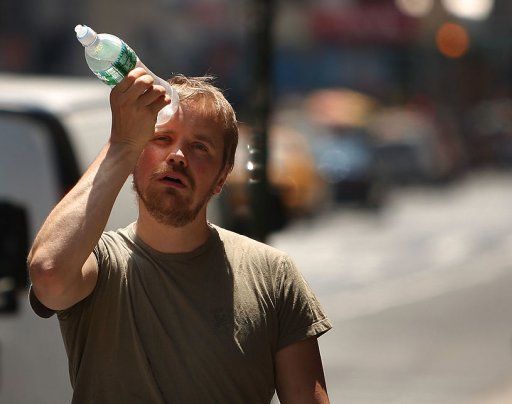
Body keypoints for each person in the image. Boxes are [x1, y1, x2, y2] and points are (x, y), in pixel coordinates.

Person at [27, 67, 332, 403]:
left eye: (200, 147)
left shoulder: (273, 274)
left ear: (221, 177)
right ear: (136, 155)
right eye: (161, 139)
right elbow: (49, 273)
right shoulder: (98, 264)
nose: (177, 156)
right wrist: (121, 144)